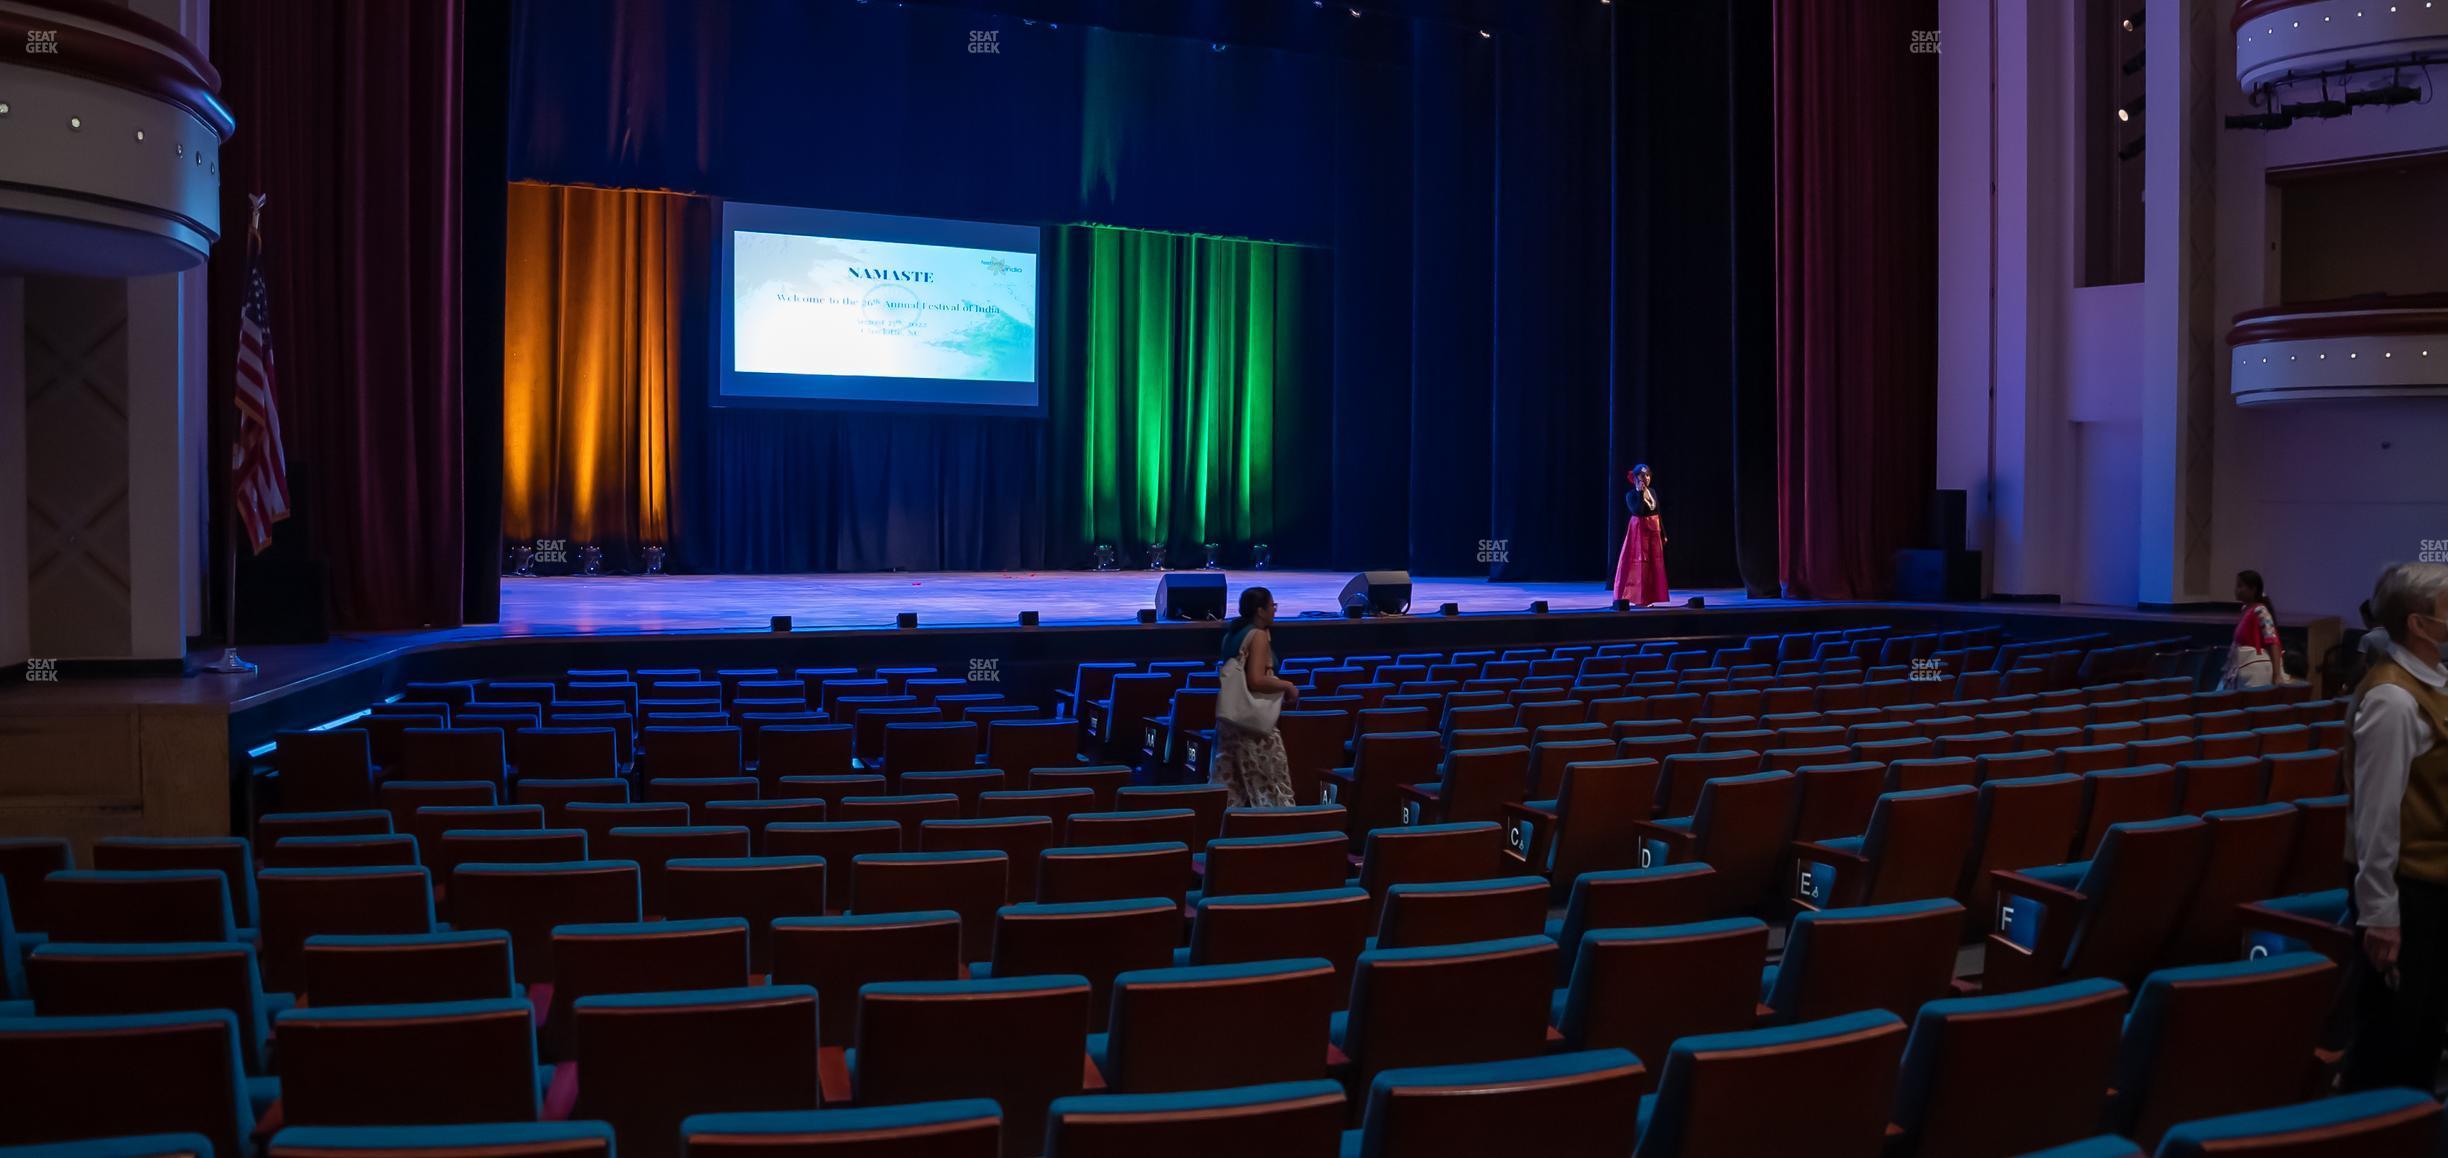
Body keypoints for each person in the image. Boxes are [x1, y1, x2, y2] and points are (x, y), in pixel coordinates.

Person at [2343, 561, 2448, 1094]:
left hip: (2433, 882)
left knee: (2425, 1031)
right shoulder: (2392, 698)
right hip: (2405, 890)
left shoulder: (2435, 682)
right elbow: (2377, 817)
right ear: (2419, 624)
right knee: (2394, 1038)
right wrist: (2380, 913)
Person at [1212, 585, 1299, 808]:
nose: (1275, 611)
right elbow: (1256, 680)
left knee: (1233, 788)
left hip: (1231, 722)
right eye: (1272, 606)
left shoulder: (1232, 635)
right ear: (1260, 611)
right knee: (1269, 786)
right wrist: (1287, 685)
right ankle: (1273, 836)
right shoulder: (1257, 636)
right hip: (1253, 725)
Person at [1612, 464, 1669, 606]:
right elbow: (1639, 511)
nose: (1646, 478)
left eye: (1648, 475)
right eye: (1643, 476)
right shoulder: (1631, 495)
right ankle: (1638, 598)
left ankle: (1650, 597)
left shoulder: (1653, 492)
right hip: (1639, 531)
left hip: (1653, 531)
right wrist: (1639, 493)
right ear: (1636, 478)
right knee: (1639, 564)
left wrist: (1663, 533)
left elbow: (1658, 513)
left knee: (1653, 564)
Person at [2220, 569, 2284, 690]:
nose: (2236, 590)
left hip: (2255, 672)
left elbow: (2273, 642)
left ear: (2253, 589)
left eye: (2240, 586)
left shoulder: (2260, 611)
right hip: (2241, 668)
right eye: (2236, 586)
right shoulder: (2245, 609)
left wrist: (2277, 675)